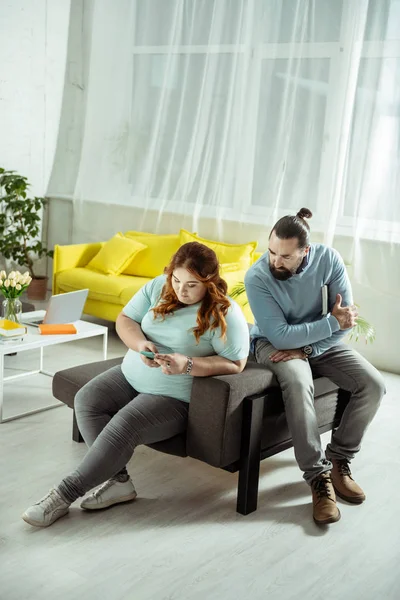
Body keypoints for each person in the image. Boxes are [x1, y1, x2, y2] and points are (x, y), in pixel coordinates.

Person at [22, 242, 250, 528]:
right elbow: (125, 319)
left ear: (210, 282)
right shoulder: (158, 287)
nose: (181, 290)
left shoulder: (223, 313)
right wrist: (141, 345)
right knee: (87, 400)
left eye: (192, 284)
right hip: (131, 373)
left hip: (173, 393)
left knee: (123, 426)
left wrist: (188, 364)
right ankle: (119, 482)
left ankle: (62, 495)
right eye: (177, 280)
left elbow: (236, 364)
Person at [245, 208, 385, 525]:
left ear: (305, 251)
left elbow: (346, 322)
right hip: (271, 344)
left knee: (373, 385)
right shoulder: (257, 277)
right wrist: (327, 325)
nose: (275, 262)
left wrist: (310, 347)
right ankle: (318, 478)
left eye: (285, 256)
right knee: (297, 383)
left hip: (317, 342)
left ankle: (339, 461)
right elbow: (279, 335)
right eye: (271, 252)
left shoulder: (329, 259)